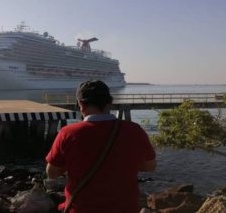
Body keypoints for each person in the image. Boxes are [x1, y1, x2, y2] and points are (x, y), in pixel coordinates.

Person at [45, 80, 156, 213]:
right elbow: (150, 166)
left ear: (80, 104)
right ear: (109, 103)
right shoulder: (134, 130)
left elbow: (52, 173)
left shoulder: (68, 133)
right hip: (126, 208)